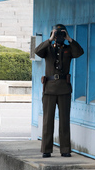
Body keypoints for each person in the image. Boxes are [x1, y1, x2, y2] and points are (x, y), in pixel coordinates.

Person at [34, 24, 84, 157]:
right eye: (57, 34)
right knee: (47, 120)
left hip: (64, 89)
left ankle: (65, 149)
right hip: (49, 89)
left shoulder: (68, 49)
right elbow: (37, 51)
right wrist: (50, 39)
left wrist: (70, 39)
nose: (59, 37)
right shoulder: (48, 49)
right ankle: (46, 149)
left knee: (64, 120)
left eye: (62, 34)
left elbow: (79, 52)